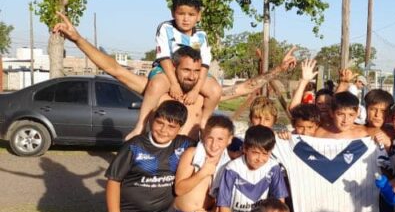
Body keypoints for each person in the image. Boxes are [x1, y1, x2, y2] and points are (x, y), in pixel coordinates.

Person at [52, 12, 297, 136]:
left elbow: (244, 87)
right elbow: (114, 69)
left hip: (192, 158)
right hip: (159, 160)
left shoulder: (203, 95)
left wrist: (278, 69)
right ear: (173, 68)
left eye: (195, 71)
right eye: (186, 70)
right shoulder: (156, 89)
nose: (191, 76)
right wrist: (77, 39)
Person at [126, 0, 222, 140]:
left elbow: (204, 64)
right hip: (167, 69)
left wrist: (196, 90)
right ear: (173, 13)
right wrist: (174, 83)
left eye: (191, 14)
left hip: (193, 72)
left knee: (215, 90)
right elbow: (164, 57)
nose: (185, 19)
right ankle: (140, 126)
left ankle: (203, 123)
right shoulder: (165, 28)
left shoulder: (201, 35)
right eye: (181, 13)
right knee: (156, 85)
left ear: (198, 16)